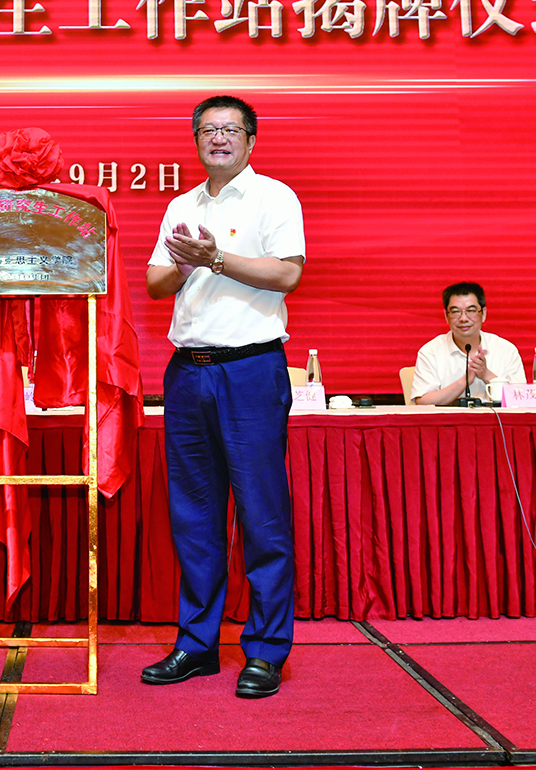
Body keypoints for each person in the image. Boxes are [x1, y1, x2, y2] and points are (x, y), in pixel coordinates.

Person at [142, 95, 305, 700]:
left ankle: (264, 650)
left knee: (262, 515)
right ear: (195, 140)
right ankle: (197, 643)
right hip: (188, 373)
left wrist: (214, 258)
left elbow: (287, 274)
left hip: (250, 370)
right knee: (195, 517)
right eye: (208, 130)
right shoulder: (181, 205)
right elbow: (155, 284)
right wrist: (186, 264)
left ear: (250, 140)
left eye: (230, 129)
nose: (218, 138)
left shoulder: (274, 198)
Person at [411, 281, 525, 405]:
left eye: (471, 311)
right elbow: (423, 402)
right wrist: (464, 381)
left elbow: (521, 399)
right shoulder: (430, 352)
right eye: (456, 312)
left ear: (483, 314)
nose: (464, 318)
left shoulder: (506, 350)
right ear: (446, 316)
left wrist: (486, 374)